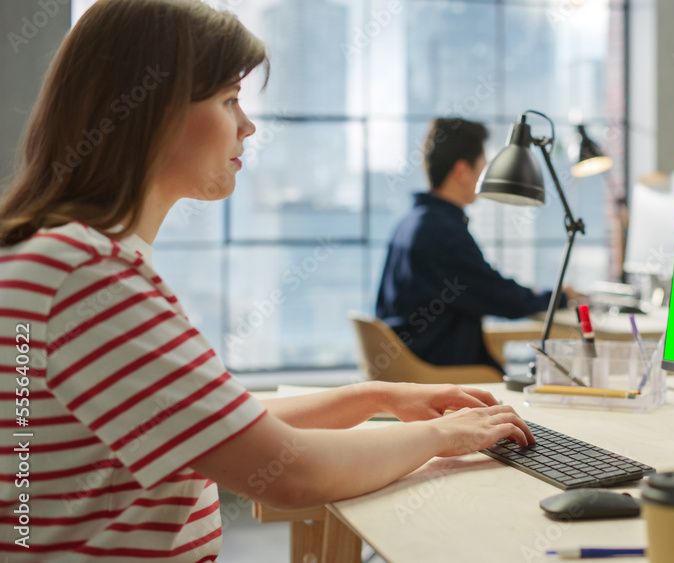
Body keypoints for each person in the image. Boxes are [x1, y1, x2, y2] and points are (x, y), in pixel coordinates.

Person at [0, 1, 533, 561]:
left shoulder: (59, 257)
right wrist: (449, 437)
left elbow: (222, 423)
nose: (248, 125)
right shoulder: (88, 277)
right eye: (230, 100)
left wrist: (377, 396)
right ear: (152, 110)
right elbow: (291, 473)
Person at [376, 118, 578, 372]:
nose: (485, 176)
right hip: (436, 369)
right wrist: (562, 297)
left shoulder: (412, 222)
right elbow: (500, 297)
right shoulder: (441, 233)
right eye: (483, 166)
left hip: (412, 359)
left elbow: (484, 288)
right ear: (462, 170)